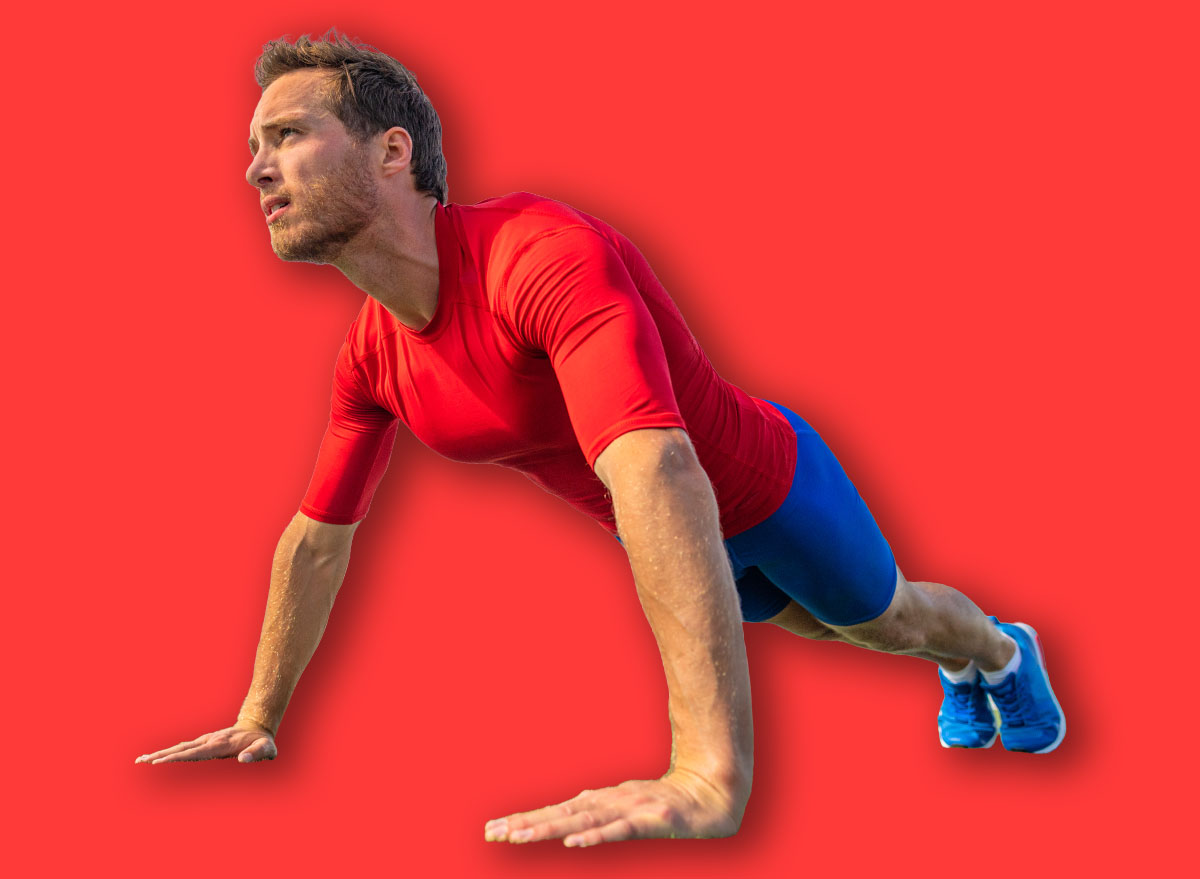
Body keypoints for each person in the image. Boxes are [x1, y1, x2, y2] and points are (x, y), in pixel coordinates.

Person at [134, 33, 1065, 847]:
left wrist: (707, 772)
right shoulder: (370, 358)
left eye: (287, 135)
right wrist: (260, 713)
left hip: (765, 484)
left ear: (391, 150)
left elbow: (659, 461)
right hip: (668, 543)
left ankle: (994, 653)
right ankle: (953, 655)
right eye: (251, 147)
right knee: (828, 629)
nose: (255, 168)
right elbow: (316, 540)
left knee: (883, 619)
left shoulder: (538, 251)